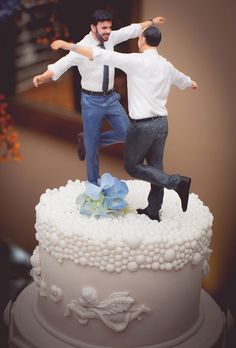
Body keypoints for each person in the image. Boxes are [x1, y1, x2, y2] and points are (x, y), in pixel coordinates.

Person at [50, 25, 198, 222]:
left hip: (143, 126)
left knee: (132, 166)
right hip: (162, 124)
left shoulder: (134, 61)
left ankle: (176, 182)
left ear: (142, 40)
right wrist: (191, 83)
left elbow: (99, 55)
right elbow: (183, 79)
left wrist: (67, 45)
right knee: (155, 166)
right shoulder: (166, 65)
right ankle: (154, 209)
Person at [32, 9, 165, 184]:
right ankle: (93, 185)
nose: (108, 31)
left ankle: (87, 140)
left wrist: (152, 21)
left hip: (110, 98)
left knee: (127, 133)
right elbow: (60, 65)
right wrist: (42, 77)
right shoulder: (81, 47)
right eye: (104, 28)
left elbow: (131, 30)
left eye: (109, 27)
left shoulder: (111, 39)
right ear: (93, 27)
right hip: (91, 101)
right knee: (93, 149)